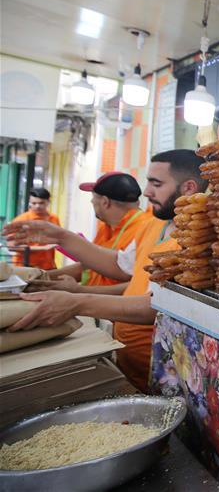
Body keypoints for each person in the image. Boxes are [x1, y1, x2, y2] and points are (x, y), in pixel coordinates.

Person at [3, 150, 207, 392]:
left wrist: (77, 301)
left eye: (156, 184)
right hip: (127, 356)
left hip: (160, 365)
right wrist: (62, 237)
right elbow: (121, 266)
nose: (146, 192)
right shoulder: (155, 223)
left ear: (188, 188)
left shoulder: (199, 239)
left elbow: (156, 306)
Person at [37, 172, 152, 290]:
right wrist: (41, 277)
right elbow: (89, 265)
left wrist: (79, 291)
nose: (91, 202)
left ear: (105, 202)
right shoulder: (106, 227)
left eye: (93, 197)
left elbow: (139, 284)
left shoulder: (147, 229)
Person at [10, 187, 60, 270]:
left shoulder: (54, 219)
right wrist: (43, 248)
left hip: (48, 266)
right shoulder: (20, 220)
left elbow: (59, 239)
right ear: (29, 202)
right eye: (34, 203)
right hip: (24, 266)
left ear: (48, 202)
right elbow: (11, 247)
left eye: (41, 203)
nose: (37, 206)